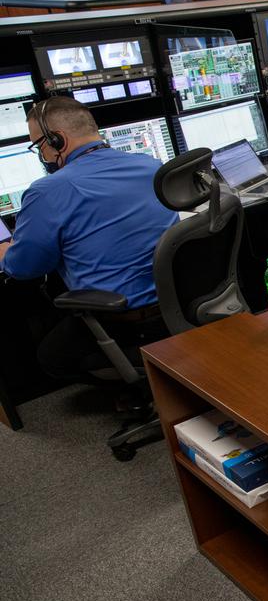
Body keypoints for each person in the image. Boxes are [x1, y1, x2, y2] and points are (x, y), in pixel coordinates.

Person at [0, 97, 176, 386]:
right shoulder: (150, 165)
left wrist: (4, 250)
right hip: (174, 305)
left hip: (124, 321)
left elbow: (24, 268)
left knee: (50, 358)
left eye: (39, 146)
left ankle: (142, 387)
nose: (42, 155)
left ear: (58, 140)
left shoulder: (48, 191)